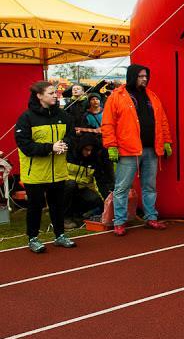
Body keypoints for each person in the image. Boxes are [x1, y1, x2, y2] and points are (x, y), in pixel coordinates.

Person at [102, 64, 173, 236]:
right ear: (132, 76)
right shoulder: (116, 97)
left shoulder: (152, 97)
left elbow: (162, 120)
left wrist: (166, 141)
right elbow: (108, 123)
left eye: (146, 76)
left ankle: (151, 217)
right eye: (141, 76)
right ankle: (119, 221)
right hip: (128, 150)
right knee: (122, 187)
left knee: (149, 186)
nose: (144, 79)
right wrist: (111, 145)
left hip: (150, 149)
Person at [15, 80, 77, 252]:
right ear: (39, 96)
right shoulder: (26, 118)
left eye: (55, 92)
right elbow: (25, 145)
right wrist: (50, 148)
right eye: (51, 93)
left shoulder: (63, 116)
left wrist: (66, 144)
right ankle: (33, 238)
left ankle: (59, 235)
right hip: (34, 173)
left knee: (57, 204)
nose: (55, 95)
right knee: (35, 206)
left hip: (57, 171)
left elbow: (72, 135)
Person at [64, 132, 105, 227]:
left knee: (96, 199)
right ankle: (65, 218)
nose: (89, 153)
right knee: (71, 185)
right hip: (64, 188)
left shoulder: (94, 160)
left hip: (81, 189)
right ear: (81, 147)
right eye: (86, 149)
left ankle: (78, 214)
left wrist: (104, 202)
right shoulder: (68, 155)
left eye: (91, 150)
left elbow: (96, 182)